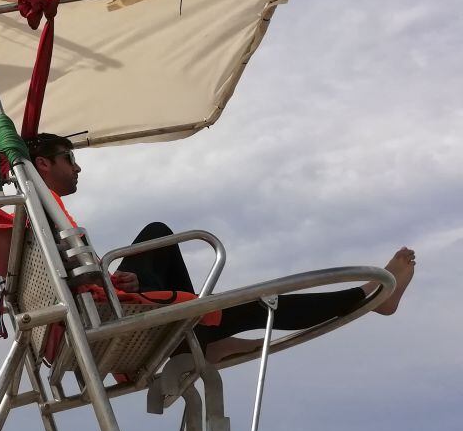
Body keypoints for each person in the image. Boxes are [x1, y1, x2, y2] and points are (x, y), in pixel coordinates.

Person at [24, 132, 416, 361]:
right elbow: (70, 286)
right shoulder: (39, 218)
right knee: (257, 302)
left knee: (157, 231)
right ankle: (369, 297)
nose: (77, 167)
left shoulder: (36, 216)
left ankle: (201, 337)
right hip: (103, 320)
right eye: (68, 158)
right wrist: (109, 285)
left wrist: (112, 280)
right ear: (43, 164)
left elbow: (68, 281)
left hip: (98, 305)